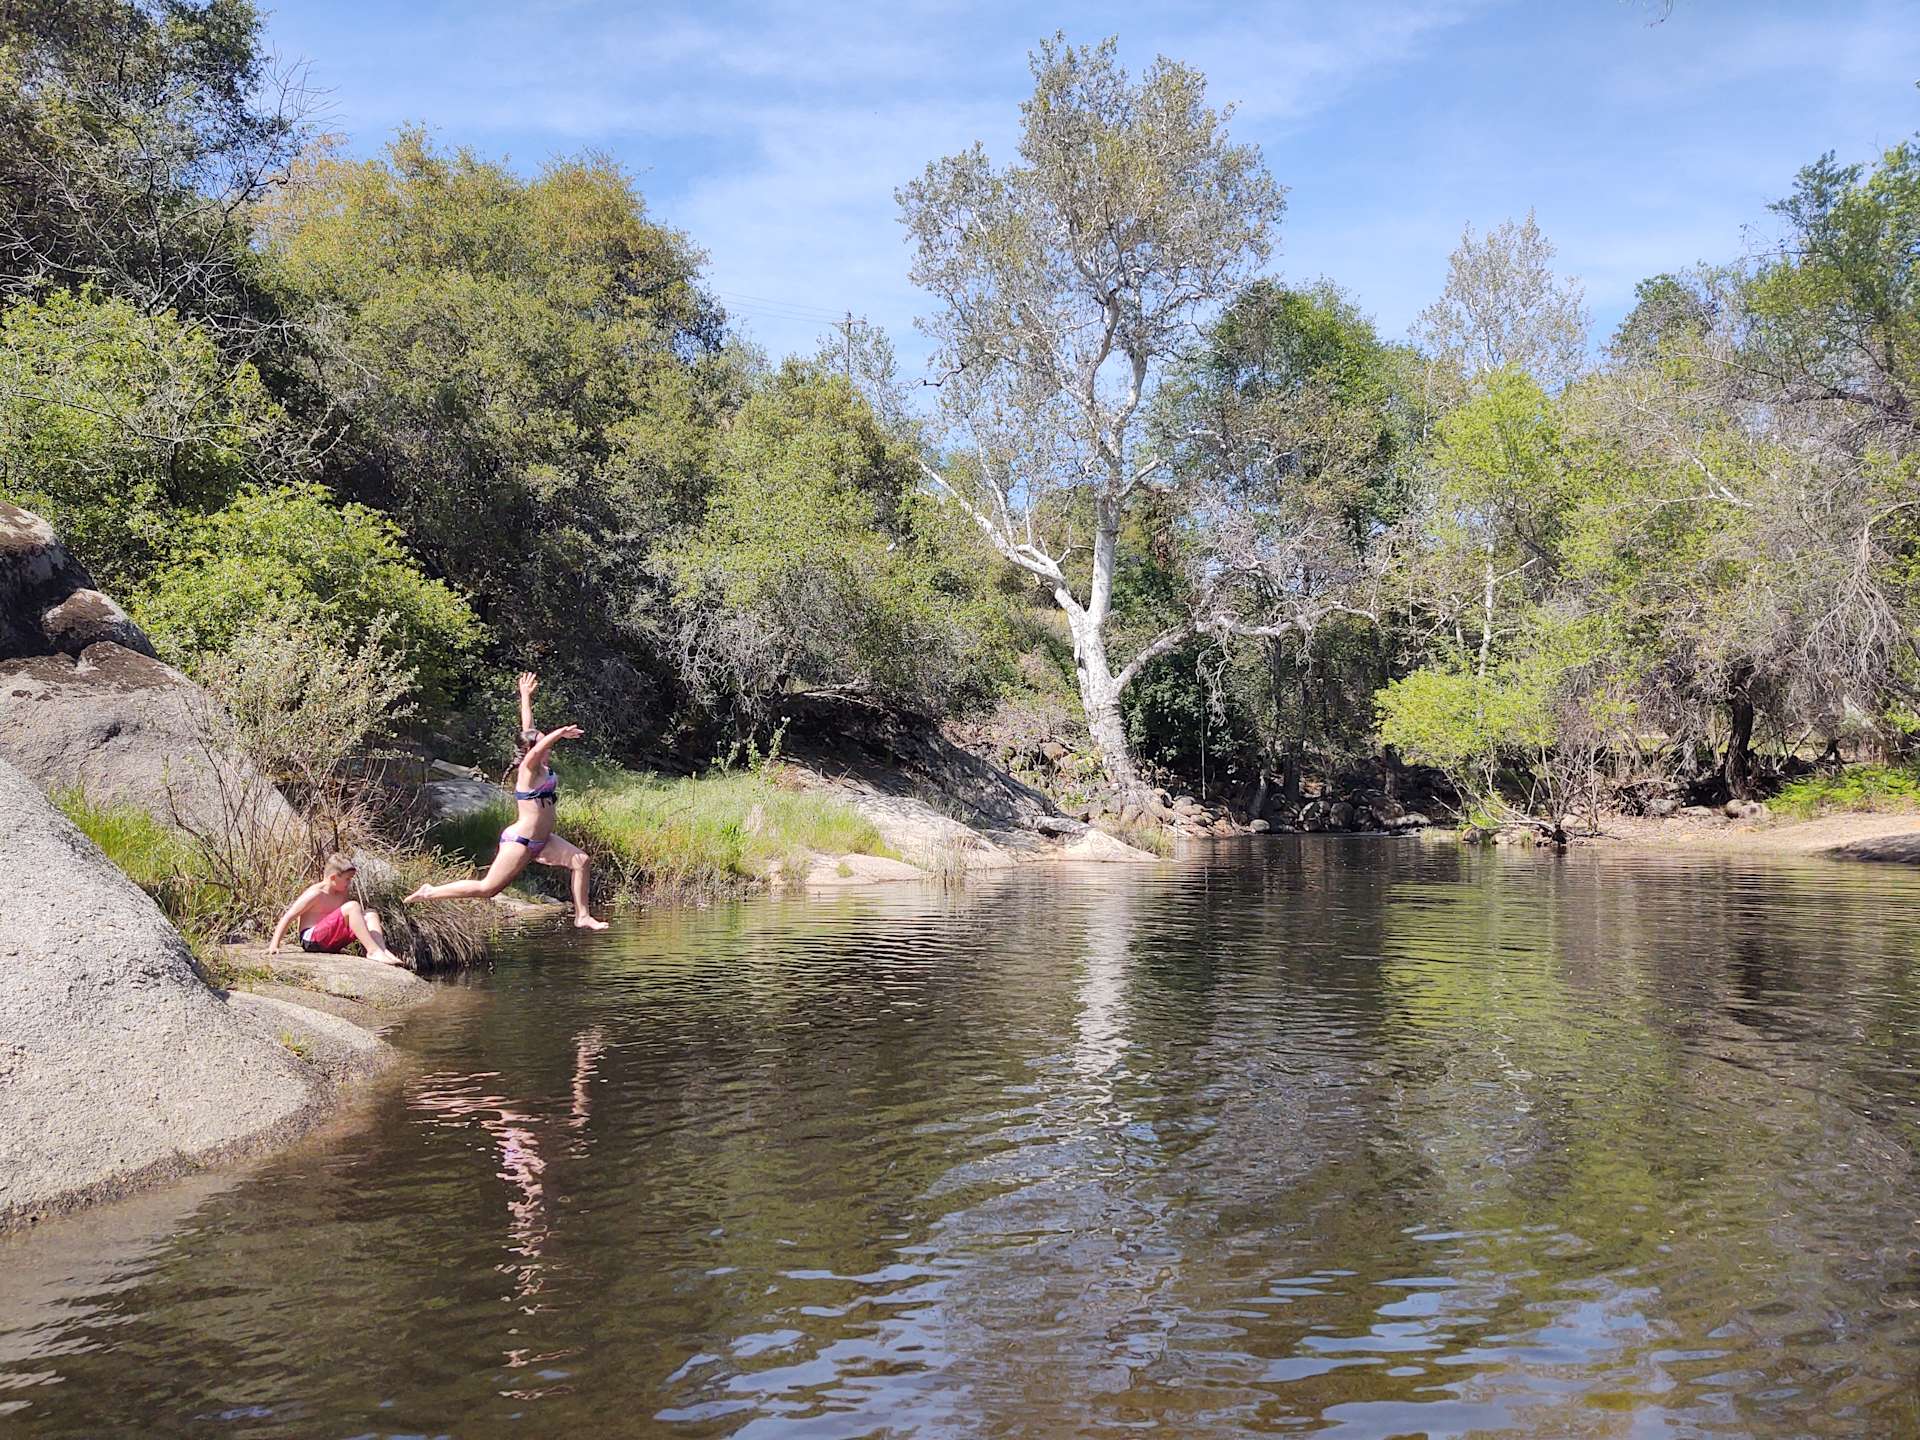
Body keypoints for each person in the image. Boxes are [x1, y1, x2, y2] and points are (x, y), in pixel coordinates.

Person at [406, 672, 608, 929]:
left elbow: (528, 729)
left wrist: (525, 696)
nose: (549, 745)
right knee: (487, 888)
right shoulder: (528, 769)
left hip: (544, 840)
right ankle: (429, 892)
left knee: (581, 861)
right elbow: (534, 746)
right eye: (544, 742)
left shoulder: (541, 764)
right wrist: (559, 732)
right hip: (520, 841)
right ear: (531, 750)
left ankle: (582, 916)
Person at [269, 853, 406, 967]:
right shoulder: (316, 893)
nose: (349, 883)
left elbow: (346, 919)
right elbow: (288, 917)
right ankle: (372, 951)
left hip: (330, 940)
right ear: (333, 877)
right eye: (347, 879)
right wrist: (274, 945)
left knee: (370, 913)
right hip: (312, 940)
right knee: (353, 906)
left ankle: (381, 950)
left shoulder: (341, 893)